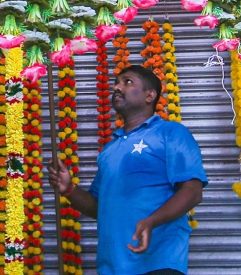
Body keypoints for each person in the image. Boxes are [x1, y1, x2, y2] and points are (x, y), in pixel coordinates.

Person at [49, 64, 207, 275]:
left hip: (158, 262)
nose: (117, 87)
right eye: (116, 83)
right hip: (112, 266)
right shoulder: (110, 149)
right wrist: (69, 190)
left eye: (127, 82)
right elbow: (100, 208)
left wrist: (151, 222)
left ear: (149, 95)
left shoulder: (171, 133)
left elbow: (193, 192)